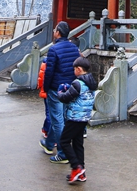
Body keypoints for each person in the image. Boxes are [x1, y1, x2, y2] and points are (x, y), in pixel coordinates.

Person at [39, 21, 80, 164]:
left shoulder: (54, 49)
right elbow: (76, 70)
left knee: (58, 120)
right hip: (69, 88)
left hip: (56, 88)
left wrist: (46, 87)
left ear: (58, 33)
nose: (54, 32)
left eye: (55, 30)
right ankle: (49, 144)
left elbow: (49, 72)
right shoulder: (74, 49)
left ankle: (63, 153)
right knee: (61, 117)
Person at [57, 57, 96, 184]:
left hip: (74, 117)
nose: (74, 71)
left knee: (64, 141)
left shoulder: (77, 83)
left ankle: (76, 167)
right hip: (84, 117)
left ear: (79, 69)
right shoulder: (91, 82)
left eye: (74, 69)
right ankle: (82, 172)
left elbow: (66, 98)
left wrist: (60, 92)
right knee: (78, 144)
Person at [37, 56, 50, 139]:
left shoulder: (47, 60)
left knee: (49, 113)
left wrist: (41, 86)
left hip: (48, 90)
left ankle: (48, 131)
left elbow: (42, 76)